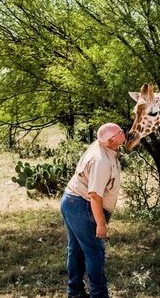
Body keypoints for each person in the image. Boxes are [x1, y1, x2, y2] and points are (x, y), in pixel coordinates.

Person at [60, 122, 124, 298]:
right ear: (111, 140)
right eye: (120, 132)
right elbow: (95, 195)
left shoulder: (103, 145)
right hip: (82, 204)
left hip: (72, 201)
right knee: (95, 251)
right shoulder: (100, 161)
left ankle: (75, 292)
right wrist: (101, 224)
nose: (123, 132)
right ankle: (98, 294)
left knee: (77, 249)